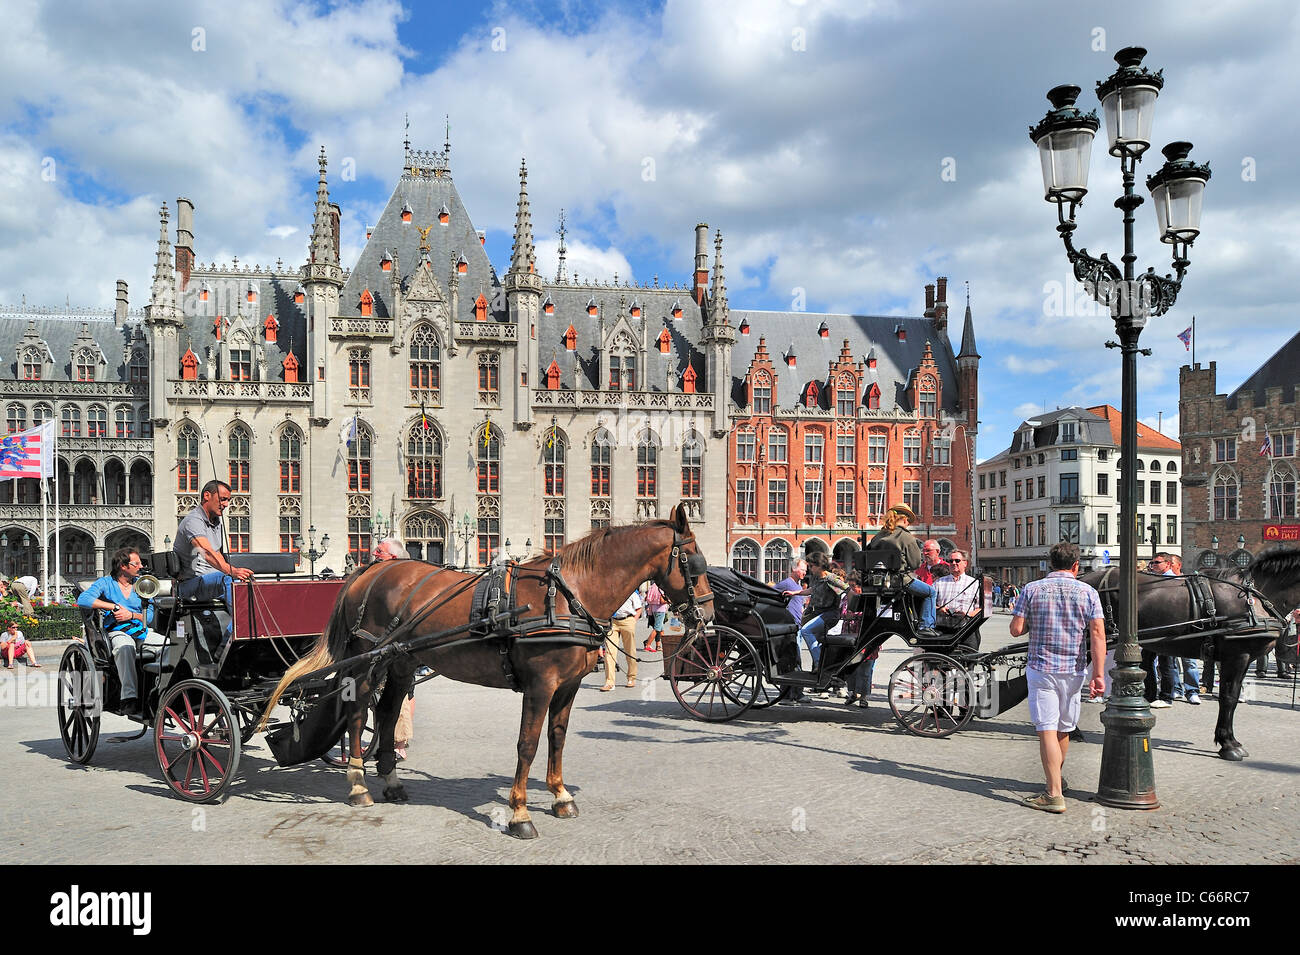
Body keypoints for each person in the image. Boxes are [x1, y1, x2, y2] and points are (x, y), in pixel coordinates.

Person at [1009, 541, 1107, 813]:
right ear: (1076, 565)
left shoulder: (1031, 589)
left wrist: (1031, 621)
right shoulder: (1088, 592)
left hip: (1042, 667)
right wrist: (1098, 674)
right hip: (1074, 669)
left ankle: (1053, 793)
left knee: (1047, 729)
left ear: (1050, 563)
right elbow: (1098, 635)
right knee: (1063, 728)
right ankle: (1057, 782)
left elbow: (1016, 630)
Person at [75, 548, 161, 714]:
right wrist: (112, 607)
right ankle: (129, 697)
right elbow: (83, 599)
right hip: (117, 631)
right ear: (123, 566)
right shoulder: (106, 583)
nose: (141, 566)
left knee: (167, 646)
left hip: (140, 630)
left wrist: (132, 615)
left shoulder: (143, 584)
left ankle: (158, 691)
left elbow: (149, 616)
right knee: (125, 647)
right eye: (137, 563)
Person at [173, 480, 254, 604]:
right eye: (222, 499)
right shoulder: (193, 521)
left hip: (212, 583)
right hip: (189, 585)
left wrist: (237, 574)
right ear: (207, 496)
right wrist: (233, 571)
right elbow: (207, 552)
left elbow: (217, 554)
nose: (226, 504)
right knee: (228, 580)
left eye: (228, 500)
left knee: (246, 586)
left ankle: (241, 623)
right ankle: (242, 623)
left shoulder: (216, 522)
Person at [866, 503, 938, 637]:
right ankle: (925, 625)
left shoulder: (877, 537)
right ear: (905, 519)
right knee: (930, 592)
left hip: (878, 582)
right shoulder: (906, 537)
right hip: (900, 581)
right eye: (908, 522)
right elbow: (915, 563)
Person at [372, 538, 415, 758]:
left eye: (379, 551)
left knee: (401, 692)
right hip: (386, 645)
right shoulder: (382, 581)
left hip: (393, 648)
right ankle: (396, 741)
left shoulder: (398, 584)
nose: (374, 553)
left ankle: (399, 741)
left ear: (394, 558)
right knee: (402, 692)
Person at [1142, 553, 1182, 708]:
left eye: (1157, 562)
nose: (1153, 565)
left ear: (1167, 564)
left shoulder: (1174, 581)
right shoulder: (1153, 579)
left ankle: (1166, 696)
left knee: (1166, 663)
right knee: (1146, 661)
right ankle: (1150, 694)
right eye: (1152, 562)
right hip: (1153, 626)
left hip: (1168, 627)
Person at [602, 588, 641, 691]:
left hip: (627, 620)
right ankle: (609, 682)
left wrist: (633, 621)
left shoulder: (632, 592)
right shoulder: (612, 591)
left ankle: (631, 678)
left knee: (630, 651)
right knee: (609, 652)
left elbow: (639, 608)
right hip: (613, 622)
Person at [642, 580, 668, 653]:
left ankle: (659, 646)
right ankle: (648, 644)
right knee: (657, 629)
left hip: (654, 609)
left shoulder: (652, 587)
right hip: (660, 610)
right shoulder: (661, 587)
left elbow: (646, 598)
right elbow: (662, 601)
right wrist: (669, 601)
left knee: (661, 629)